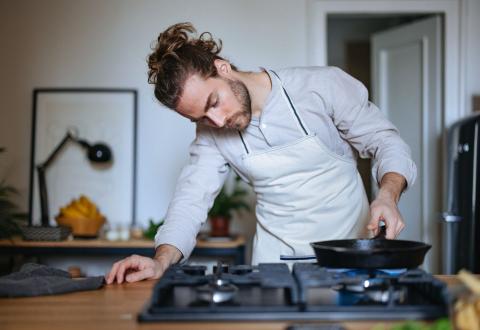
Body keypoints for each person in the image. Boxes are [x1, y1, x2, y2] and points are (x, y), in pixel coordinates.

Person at [105, 22, 416, 284]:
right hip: (274, 268)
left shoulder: (319, 86)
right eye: (199, 117)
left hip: (351, 256)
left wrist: (387, 195)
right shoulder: (211, 134)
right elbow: (190, 201)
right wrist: (160, 261)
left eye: (213, 102)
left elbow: (385, 141)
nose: (216, 121)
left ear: (223, 68)